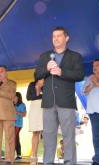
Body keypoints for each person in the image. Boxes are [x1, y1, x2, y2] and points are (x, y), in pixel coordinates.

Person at [36, 26, 85, 165]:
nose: (55, 39)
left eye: (59, 36)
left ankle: (69, 162)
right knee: (49, 136)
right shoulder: (45, 56)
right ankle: (48, 162)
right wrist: (46, 69)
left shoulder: (75, 56)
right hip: (48, 102)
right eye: (53, 36)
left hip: (66, 102)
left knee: (68, 136)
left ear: (66, 38)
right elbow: (37, 75)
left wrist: (61, 72)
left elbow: (80, 75)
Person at [26, 76, 44, 165]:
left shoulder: (47, 84)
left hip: (44, 108)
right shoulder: (31, 84)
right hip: (34, 109)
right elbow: (28, 97)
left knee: (47, 133)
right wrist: (38, 89)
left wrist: (40, 90)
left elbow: (49, 96)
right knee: (35, 133)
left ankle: (47, 156)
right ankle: (34, 156)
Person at [14, 92, 26, 160]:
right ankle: (15, 154)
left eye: (14, 97)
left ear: (18, 98)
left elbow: (24, 114)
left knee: (14, 138)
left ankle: (18, 154)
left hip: (18, 124)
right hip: (11, 124)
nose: (13, 98)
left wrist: (17, 112)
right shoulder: (11, 104)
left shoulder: (22, 105)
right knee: (14, 138)